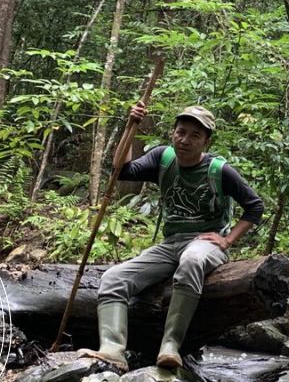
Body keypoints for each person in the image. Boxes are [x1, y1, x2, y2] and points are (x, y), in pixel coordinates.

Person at [82, 103, 264, 370]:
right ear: (173, 133)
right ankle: (112, 349)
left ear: (206, 141)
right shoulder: (162, 158)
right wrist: (131, 127)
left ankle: (170, 345)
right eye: (181, 132)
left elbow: (255, 206)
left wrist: (227, 240)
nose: (185, 140)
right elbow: (121, 170)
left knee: (191, 260)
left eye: (194, 135)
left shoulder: (219, 170)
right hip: (170, 244)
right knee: (113, 278)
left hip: (205, 243)